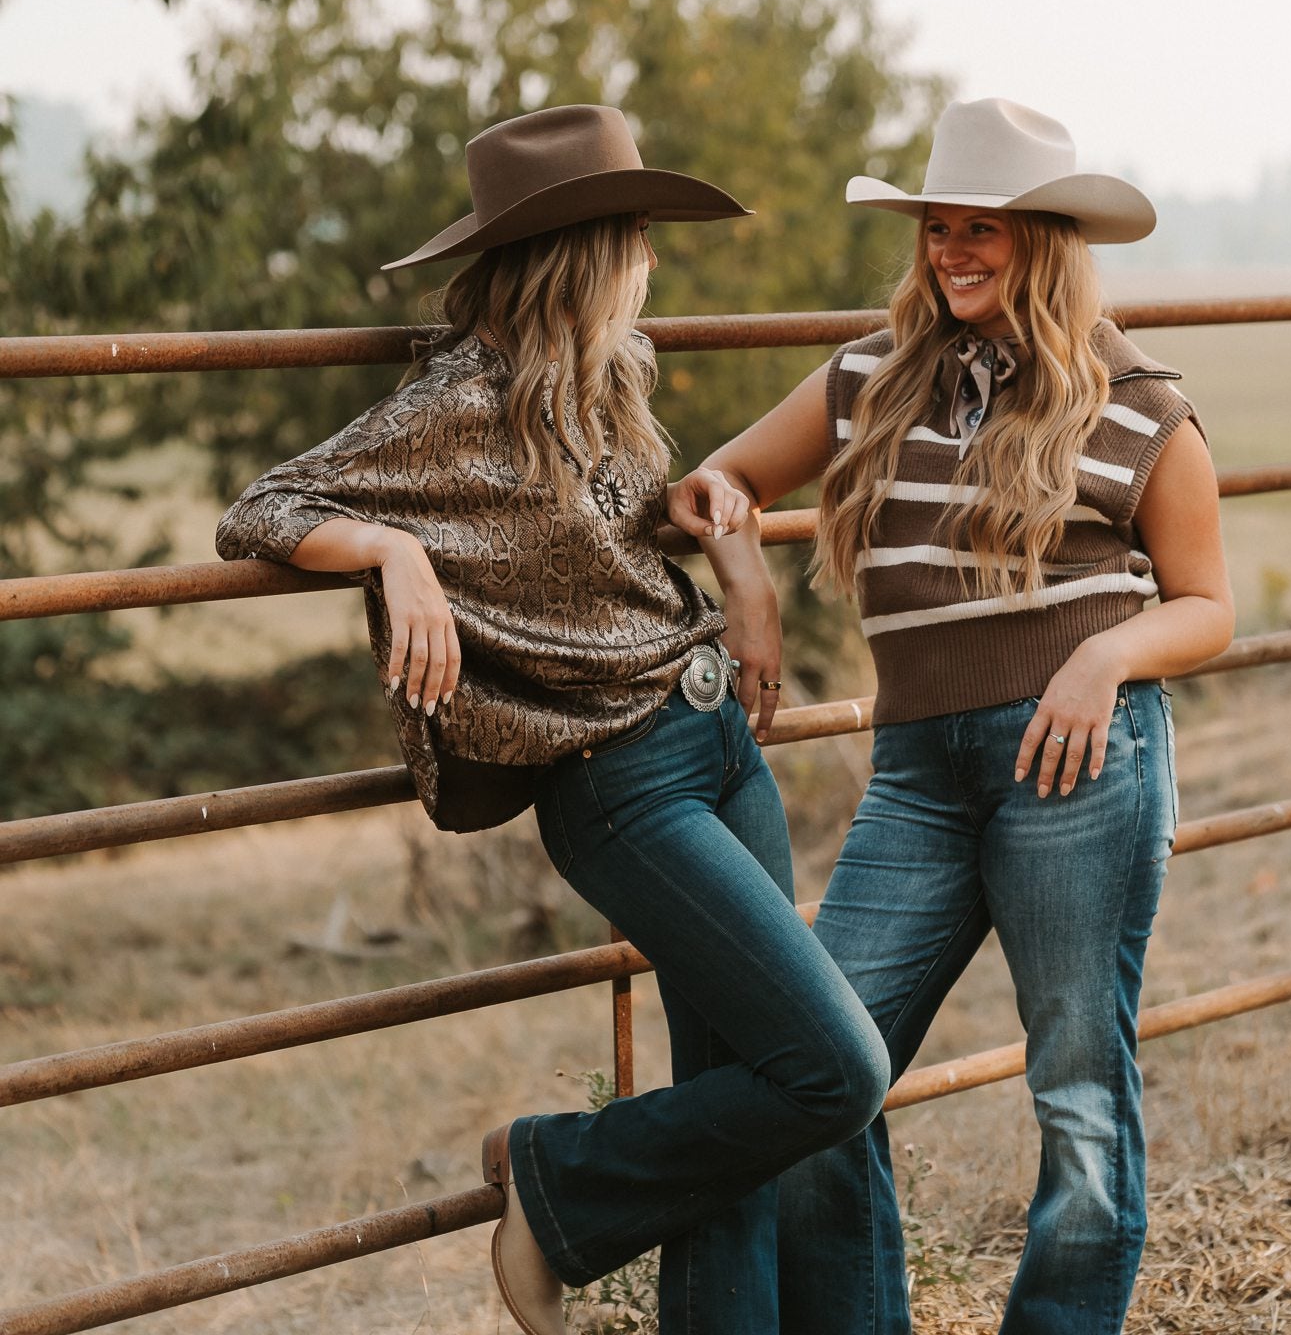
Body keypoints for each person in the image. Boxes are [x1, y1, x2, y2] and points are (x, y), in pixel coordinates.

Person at [214, 102, 889, 1335]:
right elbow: (263, 504)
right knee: (836, 1066)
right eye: (638, 235)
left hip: (717, 740)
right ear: (592, 248)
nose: (651, 262)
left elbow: (633, 547)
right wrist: (387, 552)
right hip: (620, 786)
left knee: (736, 1109)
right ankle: (552, 1171)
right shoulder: (460, 401)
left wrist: (742, 579)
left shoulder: (611, 379)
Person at [668, 97, 1235, 1335]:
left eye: (985, 227)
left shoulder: (1139, 403)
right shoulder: (870, 375)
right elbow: (713, 484)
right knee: (823, 1071)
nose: (954, 250)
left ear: (1045, 240)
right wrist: (751, 588)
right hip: (920, 773)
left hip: (1081, 763)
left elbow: (1207, 607)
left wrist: (1105, 659)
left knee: (1080, 1089)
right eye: (937, 225)